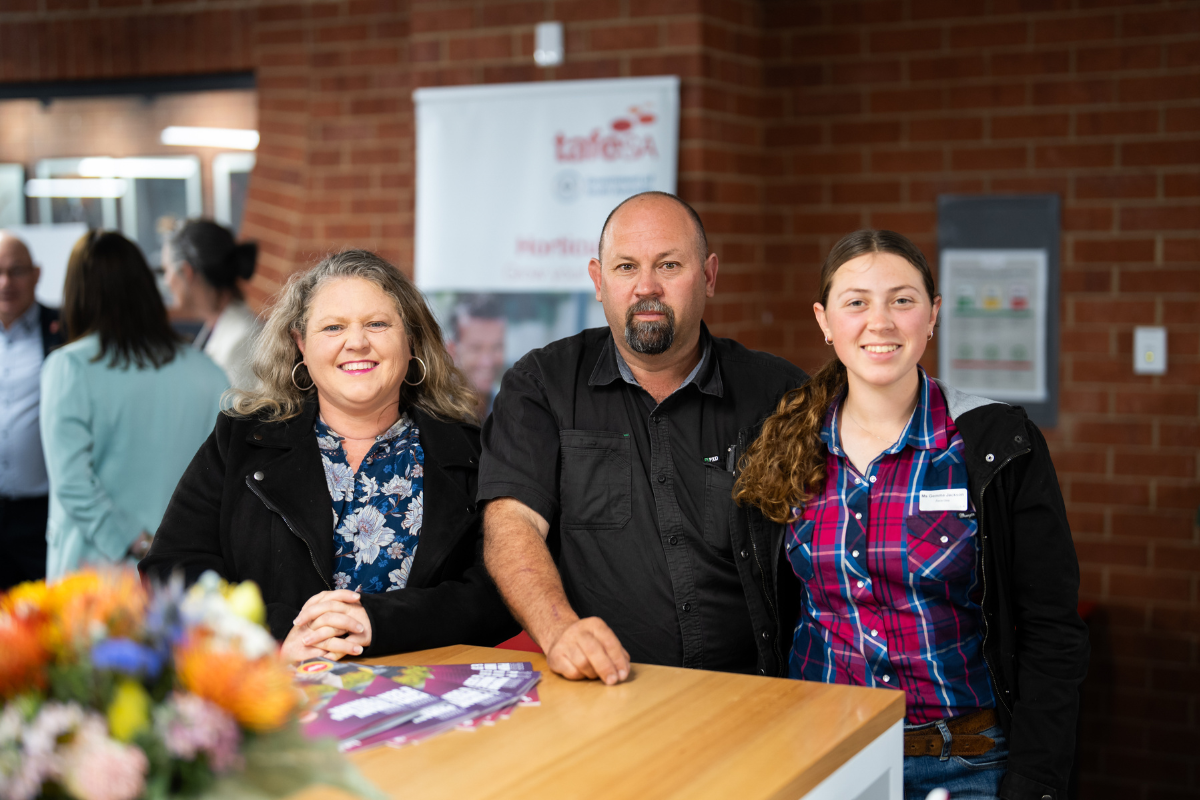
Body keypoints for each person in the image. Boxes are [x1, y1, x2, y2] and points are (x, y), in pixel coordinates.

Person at [733, 230, 1088, 800]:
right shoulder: (783, 448)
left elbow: (1052, 629)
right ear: (825, 321)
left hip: (964, 764)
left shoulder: (996, 445)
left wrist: (1037, 779)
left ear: (933, 315)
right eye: (857, 302)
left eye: (902, 300)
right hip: (820, 754)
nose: (881, 322)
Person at [480, 192, 807, 685]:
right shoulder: (543, 384)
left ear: (710, 276)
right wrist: (560, 631)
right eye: (626, 267)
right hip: (605, 696)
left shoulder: (778, 393)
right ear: (598, 280)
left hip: (755, 695)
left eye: (669, 265)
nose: (646, 287)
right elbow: (512, 522)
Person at [139, 250, 519, 661]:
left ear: (410, 340)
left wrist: (378, 621)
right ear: (301, 344)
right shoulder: (240, 442)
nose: (356, 342)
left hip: (425, 706)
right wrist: (278, 634)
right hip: (274, 702)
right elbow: (170, 571)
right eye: (333, 327)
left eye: (377, 324)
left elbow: (500, 594)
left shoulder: (469, 453)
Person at [40, 231, 229, 579]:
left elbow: (72, 484)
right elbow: (224, 481)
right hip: (184, 577)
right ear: (146, 288)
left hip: (92, 577)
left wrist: (138, 541)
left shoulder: (70, 368)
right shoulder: (208, 372)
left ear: (77, 293)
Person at [0, 232, 63, 589]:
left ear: (37, 274)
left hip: (41, 515)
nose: (5, 282)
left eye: (16, 271)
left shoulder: (64, 331)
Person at [163, 219, 263, 389]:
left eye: (166, 270)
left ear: (187, 272)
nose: (166, 282)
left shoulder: (241, 340)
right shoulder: (216, 326)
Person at [446, 294, 506, 418]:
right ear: (452, 350)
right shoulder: (433, 412)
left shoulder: (511, 408)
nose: (487, 362)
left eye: (496, 347)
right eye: (476, 348)